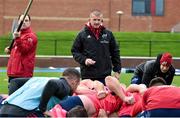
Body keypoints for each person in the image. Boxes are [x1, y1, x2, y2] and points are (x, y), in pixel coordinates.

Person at [0, 68, 80, 117]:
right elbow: (52, 84)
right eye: (77, 84)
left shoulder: (40, 79)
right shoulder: (65, 85)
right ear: (74, 81)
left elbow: (14, 82)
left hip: (4, 109)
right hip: (24, 113)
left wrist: (12, 99)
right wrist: (43, 109)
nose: (76, 88)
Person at [71, 10, 121, 84]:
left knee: (104, 95)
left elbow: (115, 52)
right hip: (88, 75)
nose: (97, 22)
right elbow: (75, 51)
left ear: (102, 20)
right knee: (90, 95)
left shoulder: (108, 34)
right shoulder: (82, 34)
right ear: (89, 20)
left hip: (105, 75)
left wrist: (117, 70)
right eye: (94, 19)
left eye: (98, 20)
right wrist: (84, 60)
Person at [48, 76, 135, 117]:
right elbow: (109, 79)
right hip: (79, 104)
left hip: (83, 108)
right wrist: (124, 97)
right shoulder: (119, 92)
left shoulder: (120, 106)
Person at [4, 14, 38, 94]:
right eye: (21, 20)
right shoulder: (18, 35)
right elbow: (17, 51)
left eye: (26, 20)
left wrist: (18, 39)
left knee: (19, 99)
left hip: (23, 74)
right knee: (12, 98)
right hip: (12, 72)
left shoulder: (31, 36)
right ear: (18, 22)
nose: (23, 22)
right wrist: (9, 49)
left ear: (30, 22)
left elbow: (24, 50)